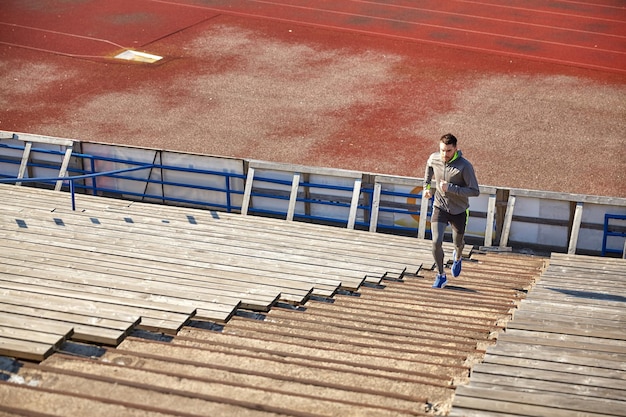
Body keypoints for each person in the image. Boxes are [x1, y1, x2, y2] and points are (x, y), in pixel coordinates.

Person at [423, 133, 479, 288]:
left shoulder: (465, 166)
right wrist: (426, 188)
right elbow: (429, 167)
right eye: (442, 150)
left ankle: (458, 257)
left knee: (458, 243)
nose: (444, 154)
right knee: (436, 242)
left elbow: (475, 191)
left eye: (448, 151)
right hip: (440, 206)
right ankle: (441, 275)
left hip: (459, 210)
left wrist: (451, 188)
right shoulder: (435, 158)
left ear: (455, 148)